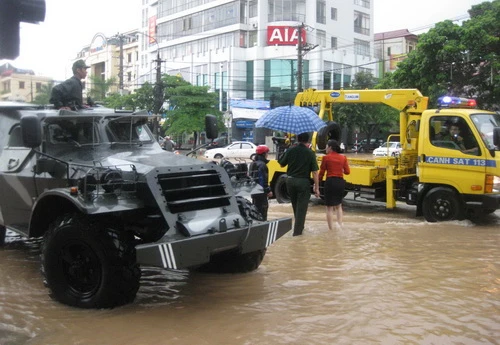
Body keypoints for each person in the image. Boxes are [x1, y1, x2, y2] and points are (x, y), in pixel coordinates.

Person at [278, 132, 320, 236]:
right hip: (303, 182)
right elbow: (315, 172)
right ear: (308, 140)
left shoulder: (291, 149)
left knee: (295, 206)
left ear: (297, 139)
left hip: (290, 181)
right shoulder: (310, 153)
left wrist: (286, 149)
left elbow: (281, 163)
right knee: (302, 208)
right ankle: (297, 233)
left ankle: (299, 227)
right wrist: (317, 187)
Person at [318, 139, 351, 230]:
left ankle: (331, 229)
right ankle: (340, 225)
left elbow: (321, 172)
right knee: (339, 205)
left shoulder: (326, 158)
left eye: (326, 147)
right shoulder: (343, 158)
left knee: (329, 207)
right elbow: (348, 172)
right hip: (340, 182)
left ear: (330, 148)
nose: (325, 148)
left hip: (330, 182)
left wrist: (316, 183)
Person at [249, 145, 273, 220]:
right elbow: (262, 180)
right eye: (266, 153)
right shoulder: (262, 165)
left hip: (253, 191)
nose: (267, 155)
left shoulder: (253, 164)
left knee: (255, 211)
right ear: (264, 154)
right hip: (260, 192)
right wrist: (268, 190)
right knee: (262, 212)